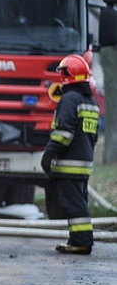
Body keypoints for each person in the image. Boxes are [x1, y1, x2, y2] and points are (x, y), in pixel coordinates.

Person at [42, 55, 99, 254]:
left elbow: (64, 133)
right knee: (79, 204)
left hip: (68, 164)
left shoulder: (69, 99)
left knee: (74, 206)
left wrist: (48, 155)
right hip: (84, 164)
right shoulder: (91, 101)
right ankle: (79, 239)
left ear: (66, 74)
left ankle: (81, 242)